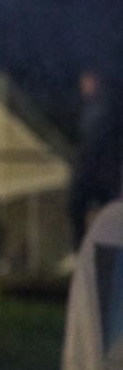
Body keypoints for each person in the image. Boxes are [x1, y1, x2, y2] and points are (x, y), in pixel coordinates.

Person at [69, 70, 121, 249]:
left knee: (109, 211)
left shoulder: (106, 109)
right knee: (76, 205)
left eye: (89, 80)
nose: (85, 85)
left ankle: (105, 247)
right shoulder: (85, 108)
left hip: (101, 173)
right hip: (89, 171)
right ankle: (81, 247)